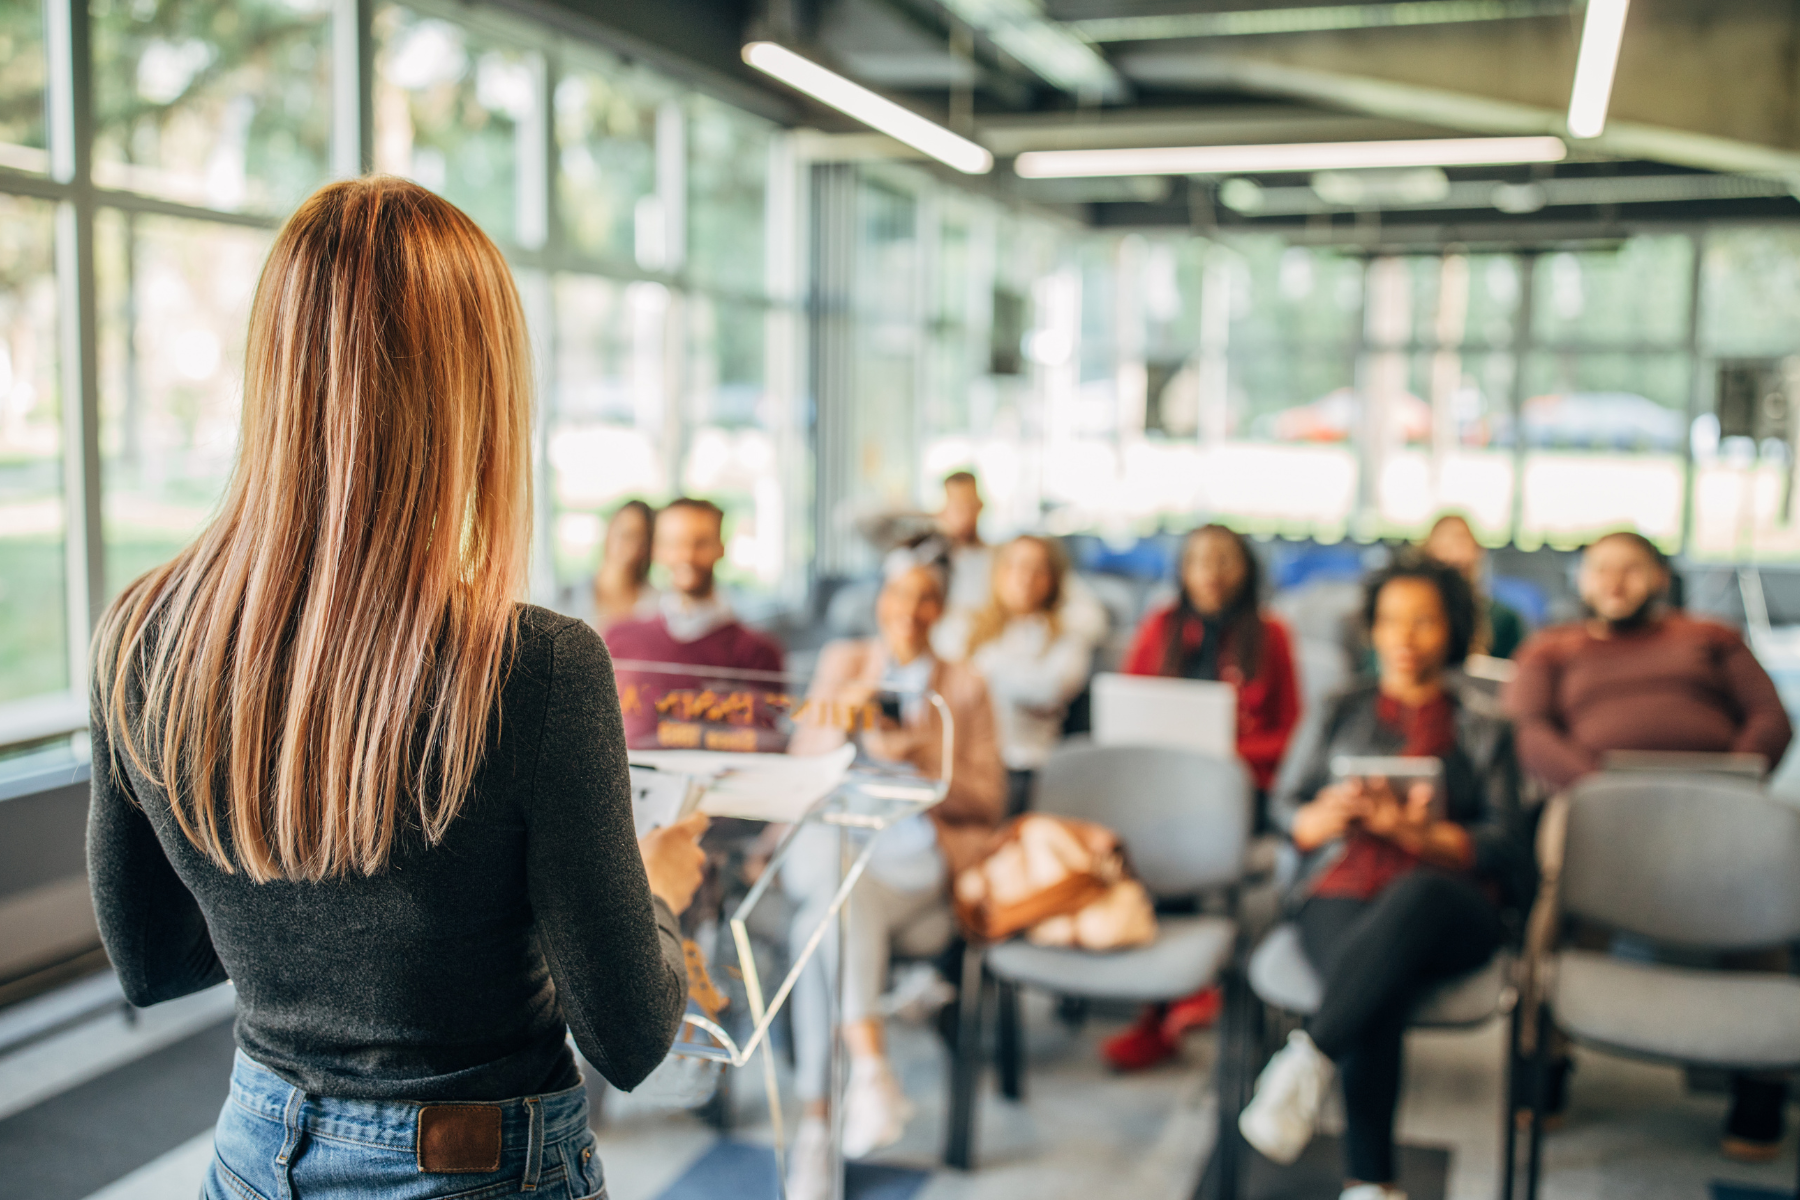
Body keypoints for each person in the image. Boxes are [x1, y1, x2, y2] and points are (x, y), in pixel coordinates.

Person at [85, 177, 708, 1200]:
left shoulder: (141, 637)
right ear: (477, 393)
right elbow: (631, 1039)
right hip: (477, 1168)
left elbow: (155, 964)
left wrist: (301, 930)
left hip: (255, 1154)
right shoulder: (537, 666)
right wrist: (662, 889)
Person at [1239, 560, 1531, 1200]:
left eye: (1424, 621)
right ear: (1370, 629)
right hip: (1342, 882)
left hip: (1452, 901)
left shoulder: (1487, 725)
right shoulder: (1338, 707)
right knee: (1374, 975)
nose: (1405, 636)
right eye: (1391, 620)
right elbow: (1287, 812)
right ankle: (1372, 1185)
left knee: (1411, 900)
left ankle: (1310, 1057)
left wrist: (1419, 836)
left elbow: (1507, 845)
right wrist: (1321, 818)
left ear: (1452, 631)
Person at [1504, 528, 1793, 1158]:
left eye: (1632, 568)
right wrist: (1608, 798)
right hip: (1598, 805)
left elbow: (1771, 720)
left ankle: (1762, 1082)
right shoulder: (1552, 647)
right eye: (1601, 568)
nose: (1615, 581)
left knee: (1765, 903)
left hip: (1720, 801)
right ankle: (1545, 1063)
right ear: (1580, 579)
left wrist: (1729, 788)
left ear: (1660, 577)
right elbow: (1529, 731)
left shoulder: (1710, 639)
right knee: (1559, 911)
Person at [779, 547, 1006, 1200]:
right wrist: (843, 715)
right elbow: (801, 762)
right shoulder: (844, 662)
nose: (908, 611)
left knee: (818, 923)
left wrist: (922, 753)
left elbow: (988, 799)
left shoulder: (964, 683)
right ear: (879, 599)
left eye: (924, 598)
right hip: (829, 833)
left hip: (908, 846)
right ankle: (869, 1064)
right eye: (897, 595)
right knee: (833, 871)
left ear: (942, 608)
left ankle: (817, 1128)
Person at [1104, 524, 1304, 1071]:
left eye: (1224, 561)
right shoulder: (1160, 629)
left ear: (1245, 569)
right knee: (1148, 840)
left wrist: (1224, 749)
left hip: (1241, 792)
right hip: (1163, 788)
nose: (1212, 573)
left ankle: (1195, 992)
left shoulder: (1273, 637)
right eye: (1199, 561)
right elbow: (1130, 709)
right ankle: (1160, 1004)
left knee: (1192, 842)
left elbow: (1292, 735)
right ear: (1182, 571)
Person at [604, 497, 785, 747]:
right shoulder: (619, 639)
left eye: (700, 543)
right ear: (657, 550)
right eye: (675, 543)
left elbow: (763, 740)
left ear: (720, 548)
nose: (687, 555)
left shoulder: (758, 651)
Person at [937, 534, 1095, 816]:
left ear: (1053, 579)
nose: (1025, 578)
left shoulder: (1065, 634)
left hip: (1025, 764)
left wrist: (978, 668)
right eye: (1015, 566)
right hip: (962, 758)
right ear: (997, 571)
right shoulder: (966, 626)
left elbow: (1050, 688)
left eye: (1038, 569)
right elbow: (940, 676)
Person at [1420, 513, 1528, 659]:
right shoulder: (1414, 615)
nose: (1454, 555)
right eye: (1444, 547)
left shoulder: (1505, 620)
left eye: (1460, 543)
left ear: (1478, 552)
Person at [591, 499, 659, 631]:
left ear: (648, 547)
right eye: (620, 530)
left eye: (635, 535)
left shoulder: (658, 606)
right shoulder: (568, 596)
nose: (622, 540)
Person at [937, 470, 992, 617]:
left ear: (980, 505)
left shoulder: (996, 559)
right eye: (956, 506)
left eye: (968, 504)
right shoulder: (931, 557)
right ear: (943, 510)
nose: (964, 514)